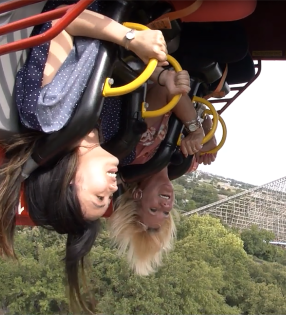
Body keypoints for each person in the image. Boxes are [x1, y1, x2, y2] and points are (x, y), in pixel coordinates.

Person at [0, 0, 170, 312]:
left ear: (67, 181)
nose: (113, 189)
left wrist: (129, 38)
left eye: (99, 198)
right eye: (110, 199)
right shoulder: (107, 129)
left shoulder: (50, 115)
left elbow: (61, 19)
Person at [107, 68, 219, 276]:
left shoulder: (139, 149)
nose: (165, 206)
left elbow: (165, 90)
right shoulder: (183, 164)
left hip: (164, 67)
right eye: (166, 213)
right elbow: (205, 121)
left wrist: (195, 130)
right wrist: (207, 136)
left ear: (137, 195)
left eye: (153, 210)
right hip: (192, 80)